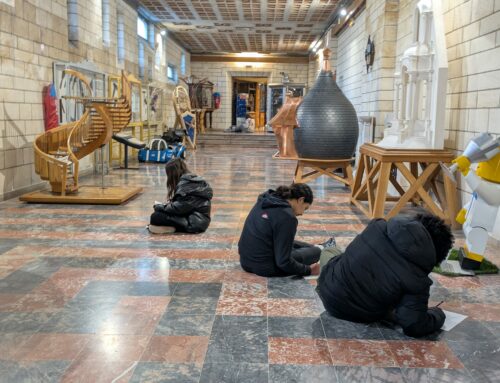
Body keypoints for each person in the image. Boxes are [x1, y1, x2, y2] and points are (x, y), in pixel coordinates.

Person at [316, 213, 454, 338]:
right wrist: (438, 314)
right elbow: (414, 325)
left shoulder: (377, 225)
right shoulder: (417, 277)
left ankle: (326, 248)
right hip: (356, 315)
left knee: (332, 252)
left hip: (326, 288)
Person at [238, 183, 334, 277]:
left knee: (286, 242)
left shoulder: (266, 199)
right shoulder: (287, 217)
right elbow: (283, 262)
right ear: (301, 200)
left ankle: (318, 246)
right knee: (315, 252)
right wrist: (308, 270)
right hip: (265, 267)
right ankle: (322, 248)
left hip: (245, 262)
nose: (302, 213)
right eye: (305, 208)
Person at [149, 158, 213, 234]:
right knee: (159, 215)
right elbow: (183, 205)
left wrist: (160, 206)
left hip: (194, 224)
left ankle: (170, 228)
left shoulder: (186, 184)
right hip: (197, 220)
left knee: (156, 216)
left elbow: (179, 208)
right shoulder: (190, 180)